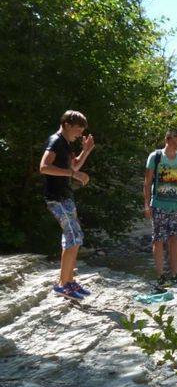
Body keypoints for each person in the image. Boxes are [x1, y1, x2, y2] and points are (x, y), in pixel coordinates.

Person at [39, 110, 95, 301]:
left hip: (65, 197)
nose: (80, 133)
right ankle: (62, 284)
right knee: (72, 236)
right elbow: (44, 166)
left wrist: (86, 151)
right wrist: (73, 175)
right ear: (67, 124)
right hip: (55, 198)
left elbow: (74, 167)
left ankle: (69, 281)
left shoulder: (66, 143)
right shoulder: (55, 141)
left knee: (76, 236)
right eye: (78, 129)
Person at [144, 129, 177, 289]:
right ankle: (160, 276)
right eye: (174, 142)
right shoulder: (155, 157)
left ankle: (174, 275)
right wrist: (146, 204)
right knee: (158, 240)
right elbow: (147, 182)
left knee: (175, 240)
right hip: (158, 205)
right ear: (167, 139)